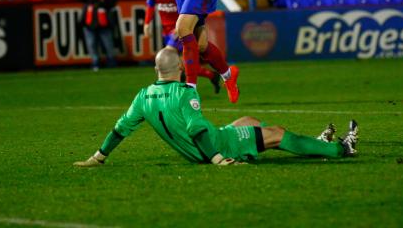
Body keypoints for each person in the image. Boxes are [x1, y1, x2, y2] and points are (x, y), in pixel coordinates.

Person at [73, 48, 358, 167]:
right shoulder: (185, 93)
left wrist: (98, 157)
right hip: (216, 144)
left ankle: (315, 147)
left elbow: (119, 129)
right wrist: (218, 158)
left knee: (250, 120)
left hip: (207, 142)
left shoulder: (143, 96)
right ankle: (340, 149)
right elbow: (197, 129)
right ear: (182, 67)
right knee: (278, 133)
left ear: (156, 70)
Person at [144, 0, 221, 94]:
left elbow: (187, 8)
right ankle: (211, 75)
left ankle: (164, 90)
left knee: (167, 56)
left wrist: (181, 25)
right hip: (166, 32)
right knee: (183, 64)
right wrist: (146, 23)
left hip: (179, 30)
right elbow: (150, 6)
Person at [76, 0, 117, 71]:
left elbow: (113, 1)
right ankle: (95, 63)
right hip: (89, 23)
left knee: (108, 44)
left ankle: (111, 62)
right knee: (91, 44)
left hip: (104, 22)